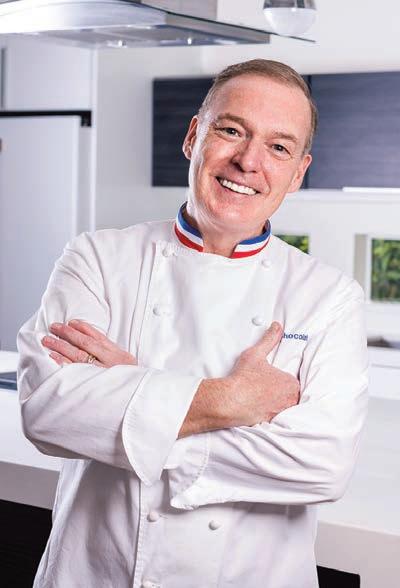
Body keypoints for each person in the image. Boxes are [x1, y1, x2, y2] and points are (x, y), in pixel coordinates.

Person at [17, 59, 368, 588]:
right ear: (192, 137)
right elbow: (49, 411)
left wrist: (133, 394)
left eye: (279, 147)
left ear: (298, 173)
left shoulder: (329, 297)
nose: (248, 161)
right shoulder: (97, 259)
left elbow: (323, 464)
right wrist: (230, 401)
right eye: (231, 131)